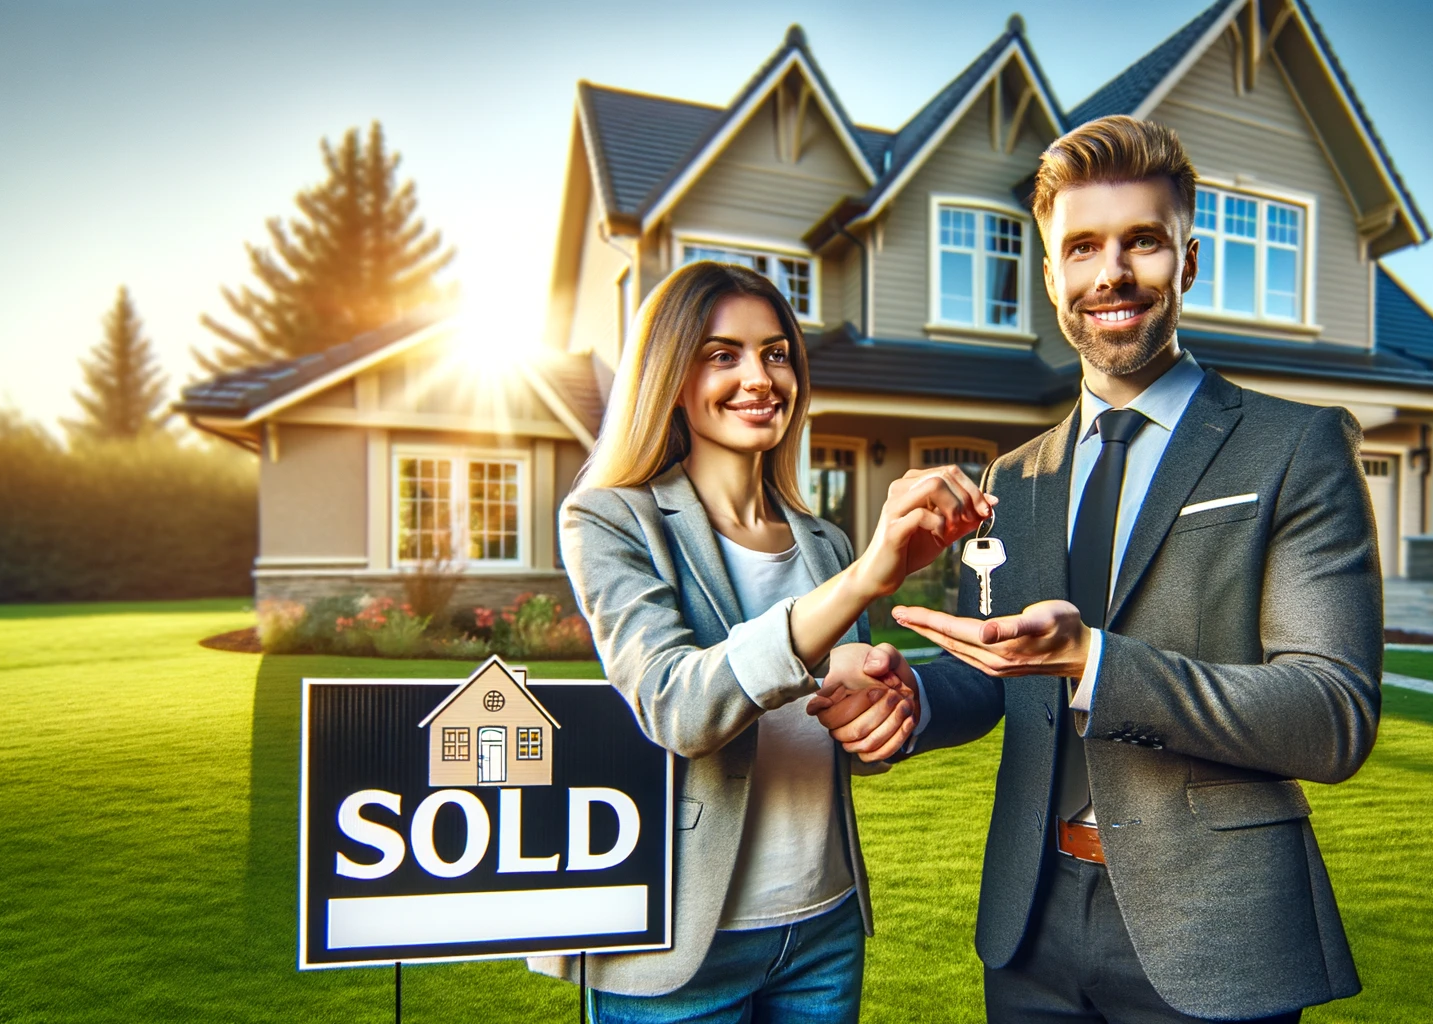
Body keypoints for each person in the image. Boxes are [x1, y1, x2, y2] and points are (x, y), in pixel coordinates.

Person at [814, 116, 1383, 1023]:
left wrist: (1097, 663)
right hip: (1030, 929)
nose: (1110, 272)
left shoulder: (1295, 449)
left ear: (1187, 261)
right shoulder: (1014, 479)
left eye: (1142, 242)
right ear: (1051, 276)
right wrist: (910, 698)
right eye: (1081, 248)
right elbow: (997, 677)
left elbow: (1330, 715)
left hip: (1214, 931)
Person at [536, 260, 985, 1023]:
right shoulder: (610, 519)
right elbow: (677, 707)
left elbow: (836, 736)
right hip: (676, 945)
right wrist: (864, 580)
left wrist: (877, 705)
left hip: (821, 929)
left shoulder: (824, 544)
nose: (760, 378)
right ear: (672, 377)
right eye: (724, 355)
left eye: (776, 353)